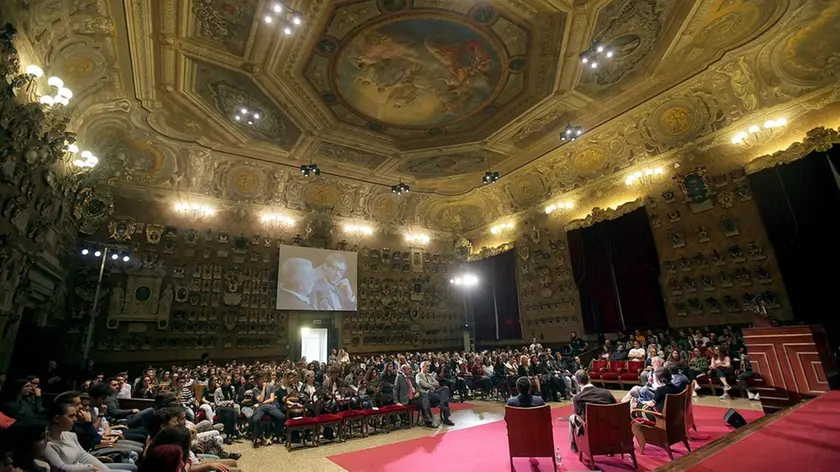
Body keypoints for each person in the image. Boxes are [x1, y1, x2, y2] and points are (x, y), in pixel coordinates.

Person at [44, 401, 135, 471]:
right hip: (84, 469)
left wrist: (104, 470)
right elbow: (62, 468)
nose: (75, 419)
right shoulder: (48, 444)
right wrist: (91, 468)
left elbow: (83, 456)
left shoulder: (70, 435)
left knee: (132, 468)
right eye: (71, 416)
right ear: (56, 418)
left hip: (86, 468)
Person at [569, 370, 616, 453]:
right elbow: (615, 407)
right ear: (589, 378)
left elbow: (577, 414)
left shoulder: (577, 398)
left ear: (577, 382)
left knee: (571, 417)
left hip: (590, 427)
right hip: (608, 425)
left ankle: (573, 443)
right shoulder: (606, 393)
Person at [415, 362, 454, 426]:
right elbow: (425, 385)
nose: (428, 367)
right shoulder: (418, 375)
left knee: (445, 388)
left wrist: (430, 384)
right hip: (426, 395)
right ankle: (442, 403)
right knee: (444, 398)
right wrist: (431, 384)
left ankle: (446, 419)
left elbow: (437, 383)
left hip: (434, 393)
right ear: (422, 367)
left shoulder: (429, 375)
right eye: (427, 366)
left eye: (428, 366)